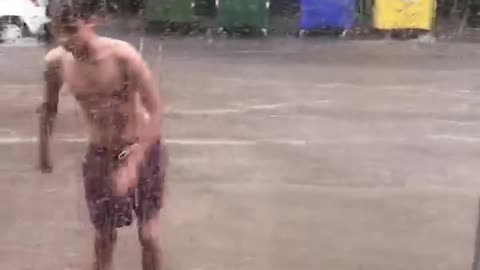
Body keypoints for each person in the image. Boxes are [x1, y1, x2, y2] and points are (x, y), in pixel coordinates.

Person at [37, 1, 166, 270]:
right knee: (103, 237)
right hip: (100, 154)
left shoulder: (123, 57)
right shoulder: (56, 62)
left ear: (92, 21)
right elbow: (49, 108)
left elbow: (155, 110)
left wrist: (133, 162)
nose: (65, 40)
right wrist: (43, 150)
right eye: (58, 31)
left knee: (148, 235)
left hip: (140, 148)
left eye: (72, 30)